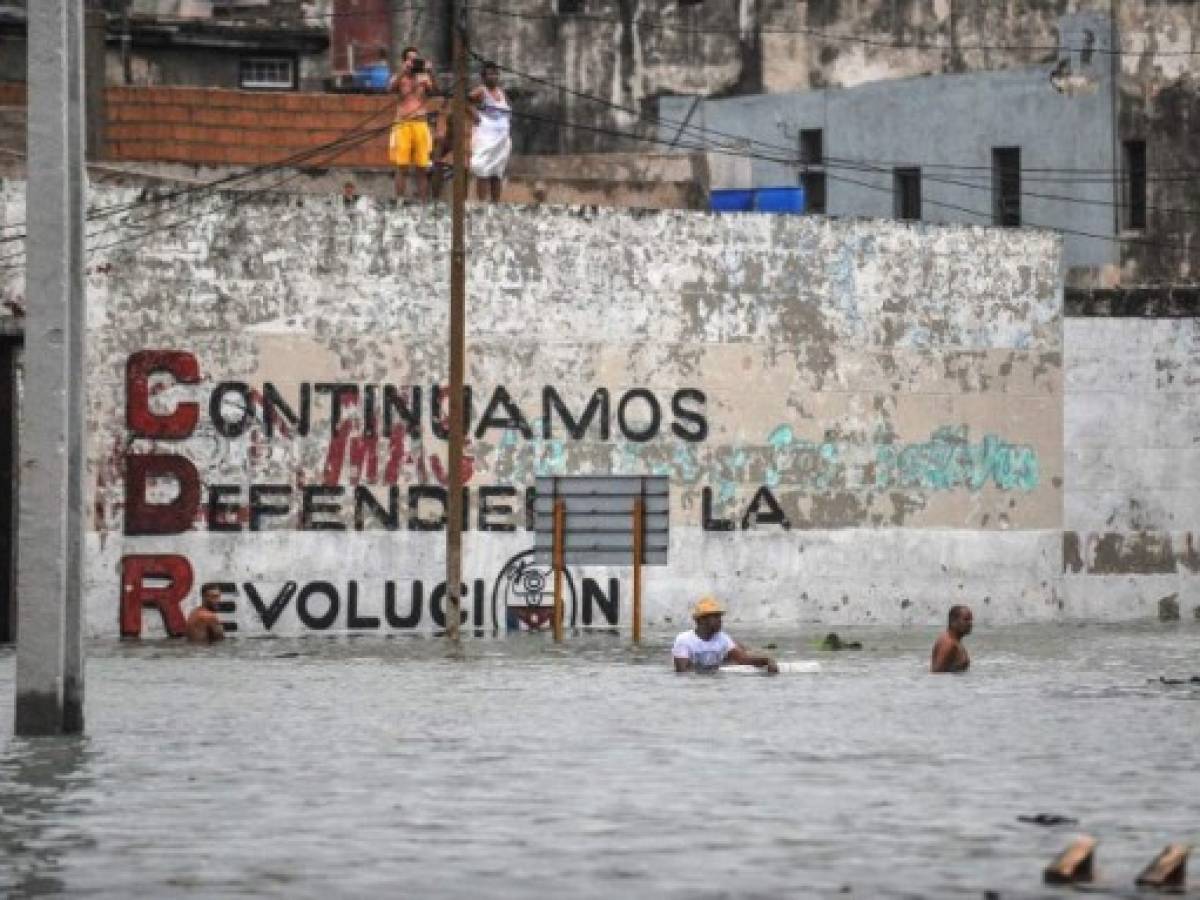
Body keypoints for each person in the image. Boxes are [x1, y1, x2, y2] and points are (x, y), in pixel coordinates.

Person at [672, 596, 778, 674]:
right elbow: (683, 672)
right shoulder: (684, 640)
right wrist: (715, 669)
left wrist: (767, 660)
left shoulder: (722, 638)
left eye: (720, 617)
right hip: (696, 686)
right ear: (701, 620)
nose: (720, 620)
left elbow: (743, 659)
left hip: (713, 677)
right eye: (715, 617)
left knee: (740, 648)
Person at [388, 46, 435, 201]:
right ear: (404, 61)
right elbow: (390, 89)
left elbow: (435, 91)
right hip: (403, 124)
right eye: (410, 59)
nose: (413, 62)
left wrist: (429, 72)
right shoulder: (399, 78)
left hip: (420, 123)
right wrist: (404, 72)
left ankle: (423, 202)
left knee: (422, 167)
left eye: (415, 59)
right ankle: (400, 200)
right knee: (402, 166)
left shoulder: (423, 77)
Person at [468, 62, 512, 202]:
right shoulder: (481, 90)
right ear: (483, 77)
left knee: (497, 172)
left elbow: (507, 109)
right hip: (486, 137)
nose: (493, 77)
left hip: (502, 138)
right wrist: (475, 114)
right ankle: (481, 203)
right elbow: (464, 100)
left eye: (495, 74)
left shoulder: (501, 92)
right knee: (482, 170)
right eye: (490, 74)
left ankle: (495, 203)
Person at [930, 604, 972, 673]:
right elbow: (937, 673)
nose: (970, 623)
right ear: (953, 621)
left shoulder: (955, 641)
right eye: (966, 619)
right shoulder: (949, 643)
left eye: (971, 620)